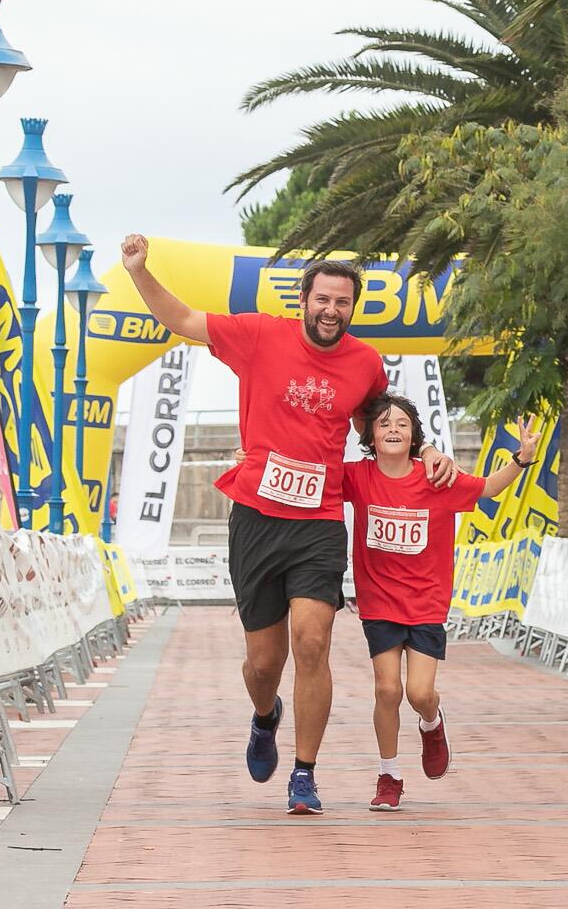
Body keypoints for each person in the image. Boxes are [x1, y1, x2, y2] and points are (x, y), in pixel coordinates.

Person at [119, 235, 452, 815]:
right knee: (264, 663)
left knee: (314, 642)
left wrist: (424, 455)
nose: (331, 311)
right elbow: (180, 318)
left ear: (353, 307)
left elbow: (385, 426)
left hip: (319, 523)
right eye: (322, 299)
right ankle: (265, 715)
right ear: (304, 300)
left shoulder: (364, 365)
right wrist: (139, 271)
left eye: (342, 303)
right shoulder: (258, 336)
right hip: (256, 518)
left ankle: (305, 774)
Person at [343, 394, 530, 812]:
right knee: (387, 689)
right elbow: (315, 476)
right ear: (370, 435)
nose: (393, 429)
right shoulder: (357, 476)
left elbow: (487, 488)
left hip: (426, 602)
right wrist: (253, 457)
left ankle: (432, 723)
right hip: (379, 602)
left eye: (403, 425)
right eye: (385, 423)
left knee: (419, 692)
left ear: (414, 437)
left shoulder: (437, 477)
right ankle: (389, 775)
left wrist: (522, 459)